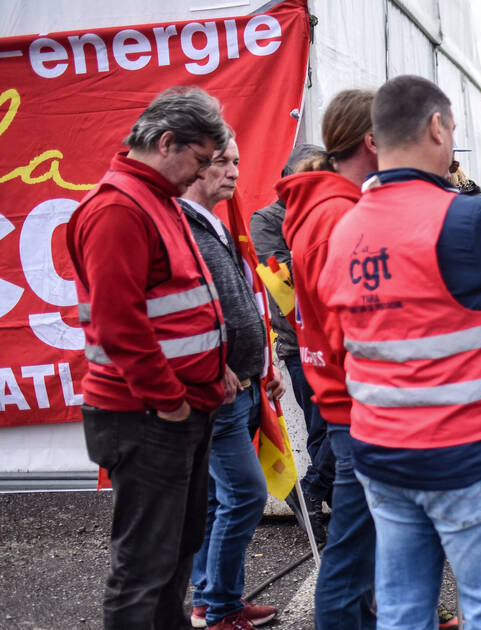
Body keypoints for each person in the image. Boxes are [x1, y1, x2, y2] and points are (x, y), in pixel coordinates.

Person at [317, 75, 481, 630]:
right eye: (451, 129)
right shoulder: (467, 217)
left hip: (381, 453)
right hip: (469, 454)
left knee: (401, 613)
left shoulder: (347, 226)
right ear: (435, 127)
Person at [66, 86, 230, 629]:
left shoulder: (155, 200)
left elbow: (181, 301)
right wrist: (171, 403)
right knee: (143, 567)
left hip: (174, 410)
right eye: (202, 159)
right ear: (166, 142)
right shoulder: (118, 208)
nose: (204, 173)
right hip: (149, 415)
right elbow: (119, 323)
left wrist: (216, 366)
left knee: (175, 550)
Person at [276, 89, 380, 628]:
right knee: (352, 547)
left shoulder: (329, 207)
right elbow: (351, 320)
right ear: (372, 140)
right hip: (359, 404)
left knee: (361, 543)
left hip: (347, 398)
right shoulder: (339, 213)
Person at [179, 135, 285, 629]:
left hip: (242, 386)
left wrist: (263, 368)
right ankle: (218, 606)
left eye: (238, 161)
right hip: (217, 392)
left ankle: (216, 599)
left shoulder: (215, 225)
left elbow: (241, 304)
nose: (234, 171)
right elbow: (183, 311)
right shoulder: (180, 226)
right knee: (243, 493)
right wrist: (210, 364)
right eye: (222, 161)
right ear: (194, 165)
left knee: (220, 497)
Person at [249, 142, 334, 544]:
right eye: (304, 178)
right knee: (327, 427)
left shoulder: (332, 215)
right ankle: (316, 495)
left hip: (345, 342)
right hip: (300, 345)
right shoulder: (266, 221)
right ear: (285, 181)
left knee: (333, 426)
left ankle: (315, 495)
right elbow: (281, 280)